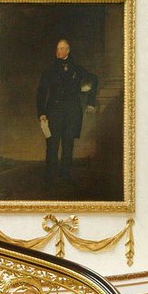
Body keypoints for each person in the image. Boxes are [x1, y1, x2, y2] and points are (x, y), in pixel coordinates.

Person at [36, 37, 98, 188]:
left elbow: (93, 80)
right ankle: (49, 179)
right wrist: (42, 113)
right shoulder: (49, 70)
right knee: (52, 145)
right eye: (57, 49)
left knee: (68, 145)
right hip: (54, 111)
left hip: (72, 111)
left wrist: (90, 102)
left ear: (68, 50)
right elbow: (41, 92)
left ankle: (65, 176)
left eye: (62, 48)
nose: (59, 51)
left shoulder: (77, 69)